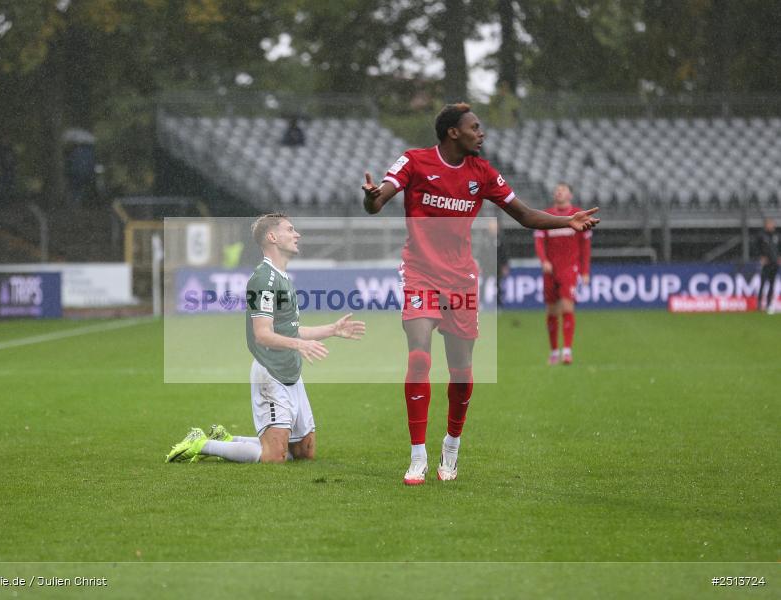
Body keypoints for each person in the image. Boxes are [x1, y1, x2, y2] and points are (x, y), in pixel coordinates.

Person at [362, 102, 599, 485]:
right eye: (475, 127)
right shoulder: (415, 161)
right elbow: (378, 200)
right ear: (454, 132)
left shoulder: (482, 172)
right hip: (420, 274)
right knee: (419, 357)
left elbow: (523, 214)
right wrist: (371, 196)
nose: (481, 133)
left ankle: (451, 446)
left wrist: (566, 222)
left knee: (461, 372)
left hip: (461, 280)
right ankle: (417, 456)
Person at [166, 213, 366, 464]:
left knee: (304, 452)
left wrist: (332, 330)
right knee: (274, 457)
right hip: (271, 372)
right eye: (290, 229)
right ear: (272, 237)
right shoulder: (263, 279)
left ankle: (229, 440)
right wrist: (299, 345)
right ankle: (202, 443)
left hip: (291, 371)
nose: (297, 234)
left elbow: (289, 330)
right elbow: (262, 334)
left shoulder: (282, 278)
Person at [534, 183, 592, 365]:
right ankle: (553, 352)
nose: (558, 192)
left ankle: (567, 351)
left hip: (569, 268)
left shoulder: (578, 215)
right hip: (551, 269)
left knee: (567, 307)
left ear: (570, 195)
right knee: (551, 310)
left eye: (563, 189)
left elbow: (585, 246)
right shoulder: (545, 215)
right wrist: (544, 261)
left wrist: (584, 271)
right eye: (557, 190)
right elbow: (539, 241)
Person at [757, 217, 780, 314]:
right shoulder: (761, 235)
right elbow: (756, 247)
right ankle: (759, 304)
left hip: (775, 263)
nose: (772, 226)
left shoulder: (777, 236)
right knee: (762, 284)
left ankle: (768, 304)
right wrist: (761, 256)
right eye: (770, 224)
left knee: (772, 284)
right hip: (766, 264)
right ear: (766, 225)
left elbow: (779, 248)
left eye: (772, 224)